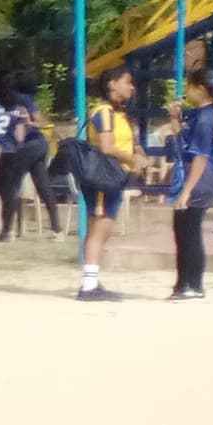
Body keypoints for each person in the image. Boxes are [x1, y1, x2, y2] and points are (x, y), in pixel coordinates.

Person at [77, 69, 144, 301]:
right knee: (100, 229)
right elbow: (106, 146)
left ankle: (91, 280)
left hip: (113, 177)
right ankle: (89, 286)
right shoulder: (104, 111)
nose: (131, 87)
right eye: (128, 82)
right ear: (113, 84)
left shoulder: (118, 113)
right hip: (104, 178)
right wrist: (132, 159)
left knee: (101, 229)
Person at [168, 68, 213, 300]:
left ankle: (193, 284)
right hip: (190, 177)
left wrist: (186, 191)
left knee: (189, 231)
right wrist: (174, 118)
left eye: (189, 86)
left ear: (200, 89)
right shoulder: (198, 114)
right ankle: (183, 283)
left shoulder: (206, 118)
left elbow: (200, 157)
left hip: (198, 180)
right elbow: (182, 140)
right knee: (181, 231)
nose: (186, 91)